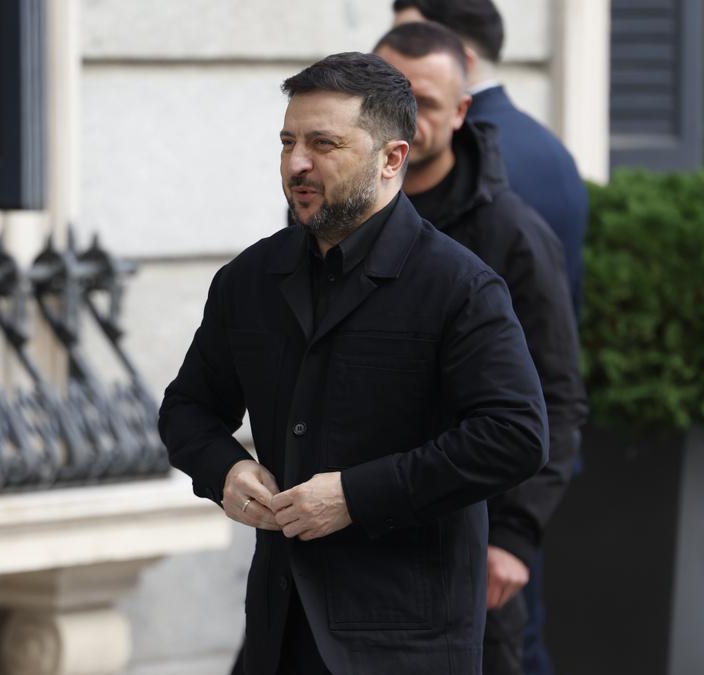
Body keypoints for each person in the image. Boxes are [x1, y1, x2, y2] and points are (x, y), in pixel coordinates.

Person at [159, 51, 549, 675]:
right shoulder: (249, 278)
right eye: (287, 141)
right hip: (278, 629)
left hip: (407, 642)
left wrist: (355, 496)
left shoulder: (459, 285)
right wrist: (224, 470)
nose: (296, 164)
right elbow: (187, 409)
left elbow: (515, 436)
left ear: (393, 158)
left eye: (324, 143)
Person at [373, 22, 587, 675]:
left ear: (462, 111)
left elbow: (558, 396)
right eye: (388, 99)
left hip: (468, 553)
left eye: (427, 103)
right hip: (346, 547)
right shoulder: (331, 219)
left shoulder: (511, 233)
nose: (405, 120)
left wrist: (516, 537)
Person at [391, 0, 587, 316]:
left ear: (463, 62)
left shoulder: (455, 159)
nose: (392, 55)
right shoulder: (552, 147)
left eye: (412, 38)